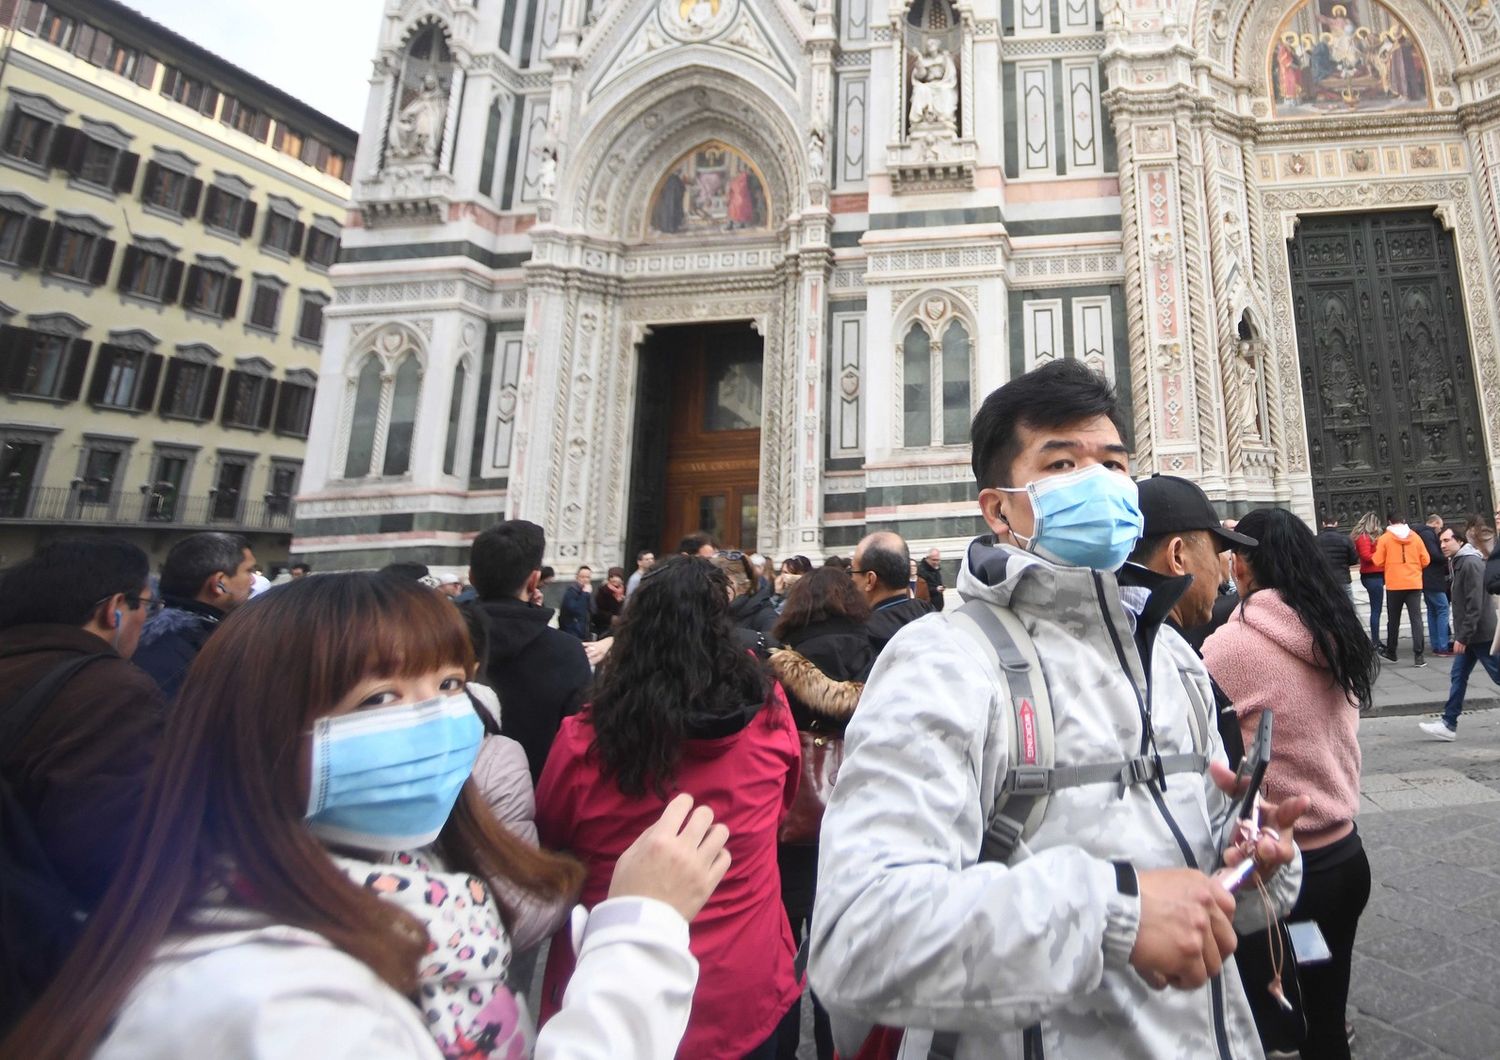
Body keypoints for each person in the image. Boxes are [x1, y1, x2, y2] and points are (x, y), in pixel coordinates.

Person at [2, 572, 730, 1060]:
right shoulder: (273, 1003)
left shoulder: (407, 893)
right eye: (380, 698)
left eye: (450, 683)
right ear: (259, 731)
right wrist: (641, 933)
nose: (439, 719)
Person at [808, 358, 1306, 1059]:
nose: (1098, 480)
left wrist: (1253, 866)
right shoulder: (946, 664)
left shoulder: (1173, 660)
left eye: (1113, 462)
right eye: (1063, 462)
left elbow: (1201, 890)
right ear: (1000, 508)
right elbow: (857, 938)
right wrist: (1113, 914)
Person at [536, 557, 802, 1059]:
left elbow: (554, 841)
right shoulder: (771, 715)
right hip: (745, 995)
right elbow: (783, 810)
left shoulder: (584, 742)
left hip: (615, 1008)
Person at [1203, 509, 1376, 1060]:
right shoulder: (1336, 630)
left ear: (1249, 565)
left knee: (1275, 1022)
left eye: (1237, 554)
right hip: (1346, 857)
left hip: (1283, 871)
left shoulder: (1230, 647)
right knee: (1326, 1013)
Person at [0, 538, 165, 936]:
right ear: (114, 610)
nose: (147, 618)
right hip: (38, 953)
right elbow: (113, 855)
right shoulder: (113, 693)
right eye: (145, 605)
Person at [767, 567, 872, 1060]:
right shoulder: (878, 653)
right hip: (853, 829)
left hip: (789, 828)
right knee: (844, 955)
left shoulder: (776, 665)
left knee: (782, 955)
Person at [1127, 475, 1260, 768]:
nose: (1224, 572)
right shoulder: (1160, 663)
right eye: (1217, 554)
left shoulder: (1154, 643)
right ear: (1177, 556)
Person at [466, 521, 593, 783]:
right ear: (534, 579)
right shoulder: (566, 652)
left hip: (450, 808)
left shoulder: (440, 643)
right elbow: (579, 743)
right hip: (537, 801)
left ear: (471, 577)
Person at [133, 532, 256, 699]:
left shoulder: (156, 638)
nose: (253, 581)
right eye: (249, 571)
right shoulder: (184, 650)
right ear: (219, 583)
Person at [1421, 527, 1500, 742]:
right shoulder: (1459, 562)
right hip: (1472, 633)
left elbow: (1475, 602)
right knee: (1458, 676)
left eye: (1447, 540)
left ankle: (1448, 723)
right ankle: (1448, 723)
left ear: (1460, 541)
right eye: (1441, 542)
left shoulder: (1470, 563)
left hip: (1480, 634)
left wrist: (1463, 636)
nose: (1443, 545)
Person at [851, 530, 932, 660]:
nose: (851, 580)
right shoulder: (932, 617)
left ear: (870, 580)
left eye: (853, 571)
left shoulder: (861, 639)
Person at [1373, 513, 1430, 666]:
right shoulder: (1416, 537)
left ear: (1389, 522)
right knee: (1416, 619)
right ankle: (1419, 656)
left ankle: (1392, 651)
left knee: (1393, 619)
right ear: (1404, 521)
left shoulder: (1385, 539)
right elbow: (1426, 559)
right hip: (1414, 582)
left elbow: (1377, 561)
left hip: (1394, 584)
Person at [1418, 514, 1452, 655]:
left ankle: (1437, 644)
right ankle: (1442, 646)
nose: (1441, 529)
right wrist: (1446, 557)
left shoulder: (1421, 533)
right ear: (1436, 523)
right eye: (1440, 526)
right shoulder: (1428, 534)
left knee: (1433, 611)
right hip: (1433, 579)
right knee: (1443, 608)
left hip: (1426, 578)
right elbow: (1433, 555)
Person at [1352, 512, 1384, 648]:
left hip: (1375, 575)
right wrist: (1382, 556)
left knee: (1376, 609)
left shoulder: (1369, 537)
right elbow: (1366, 556)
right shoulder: (1364, 538)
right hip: (1373, 576)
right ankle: (1375, 641)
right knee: (1376, 610)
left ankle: (1376, 639)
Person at [1314, 516, 1359, 601]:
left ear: (1323, 524)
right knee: (1348, 605)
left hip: (1325, 579)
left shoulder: (1316, 540)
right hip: (1343, 578)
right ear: (1336, 524)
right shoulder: (1345, 539)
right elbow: (1353, 560)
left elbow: (1313, 560)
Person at [591, 567, 626, 639]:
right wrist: (611, 618)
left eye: (617, 577)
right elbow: (598, 611)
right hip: (605, 626)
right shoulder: (603, 590)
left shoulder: (624, 589)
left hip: (620, 625)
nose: (614, 579)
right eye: (612, 577)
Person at [559, 566, 593, 640]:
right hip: (572, 633)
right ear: (577, 577)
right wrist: (585, 594)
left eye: (588, 577)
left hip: (584, 633)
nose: (585, 580)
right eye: (582, 577)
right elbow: (576, 610)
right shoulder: (571, 592)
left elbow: (593, 610)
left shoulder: (587, 592)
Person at [916, 547, 946, 612]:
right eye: (934, 560)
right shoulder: (921, 571)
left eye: (938, 560)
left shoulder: (936, 569)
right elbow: (921, 590)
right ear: (927, 558)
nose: (936, 562)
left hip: (937, 607)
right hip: (926, 608)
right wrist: (936, 590)